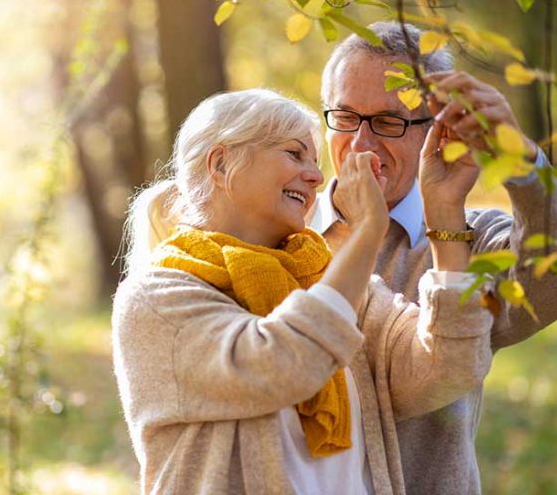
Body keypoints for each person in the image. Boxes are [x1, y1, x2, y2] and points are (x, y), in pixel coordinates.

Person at [112, 88, 494, 494]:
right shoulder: (156, 298)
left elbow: (450, 369)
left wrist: (446, 212)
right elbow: (280, 366)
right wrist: (367, 232)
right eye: (294, 154)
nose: (316, 176)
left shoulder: (324, 280)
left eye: (315, 161)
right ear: (221, 164)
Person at [309, 21, 557, 494]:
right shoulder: (275, 228)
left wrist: (519, 162)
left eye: (387, 121)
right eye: (344, 116)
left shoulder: (471, 241)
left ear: (436, 131)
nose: (360, 144)